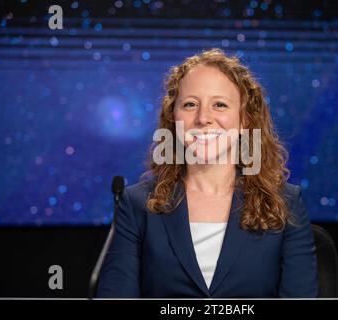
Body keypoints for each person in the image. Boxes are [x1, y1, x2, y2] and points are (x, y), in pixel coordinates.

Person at [97, 48, 318, 298]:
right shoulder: (137, 205)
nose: (203, 118)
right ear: (174, 117)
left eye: (219, 105)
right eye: (190, 104)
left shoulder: (285, 203)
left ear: (245, 119)